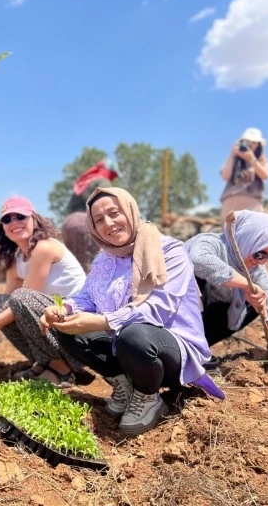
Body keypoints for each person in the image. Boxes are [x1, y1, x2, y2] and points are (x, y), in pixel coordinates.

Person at [40, 187, 223, 437]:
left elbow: (158, 308)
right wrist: (63, 310)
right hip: (126, 347)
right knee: (67, 331)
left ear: (131, 211)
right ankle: (126, 386)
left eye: (114, 213)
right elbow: (86, 296)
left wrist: (102, 321)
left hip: (167, 350)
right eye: (99, 220)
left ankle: (148, 397)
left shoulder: (170, 251)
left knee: (133, 335)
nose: (109, 223)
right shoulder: (104, 259)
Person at [0, 196, 86, 387]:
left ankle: (63, 368)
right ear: (3, 227)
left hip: (77, 322)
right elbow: (9, 307)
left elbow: (22, 302)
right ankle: (45, 362)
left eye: (20, 217)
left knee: (21, 297)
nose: (14, 222)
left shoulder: (44, 247)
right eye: (7, 219)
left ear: (34, 219)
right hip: (53, 319)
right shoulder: (16, 259)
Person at [185, 210, 268, 353]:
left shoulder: (256, 269)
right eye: (259, 254)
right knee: (198, 278)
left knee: (260, 302)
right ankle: (181, 345)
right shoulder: (212, 243)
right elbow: (198, 259)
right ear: (246, 239)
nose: (262, 262)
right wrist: (245, 285)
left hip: (205, 321)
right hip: (177, 314)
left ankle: (196, 350)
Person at [61, 160, 118, 272]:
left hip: (68, 223)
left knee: (74, 264)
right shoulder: (102, 181)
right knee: (90, 265)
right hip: (85, 223)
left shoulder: (85, 181)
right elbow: (107, 202)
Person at [220, 127, 268, 222]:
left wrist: (252, 159)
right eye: (247, 141)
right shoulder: (234, 158)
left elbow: (265, 175)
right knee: (229, 234)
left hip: (253, 204)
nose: (250, 144)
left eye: (254, 142)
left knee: (252, 233)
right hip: (230, 202)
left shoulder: (261, 158)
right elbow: (225, 176)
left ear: (259, 145)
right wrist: (232, 155)